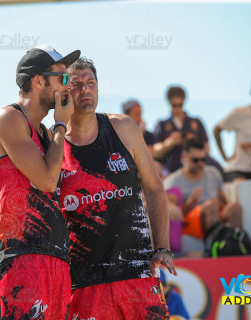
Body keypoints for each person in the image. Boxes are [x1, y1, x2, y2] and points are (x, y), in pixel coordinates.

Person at [61, 57, 174, 319]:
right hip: (83, 283)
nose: (85, 90)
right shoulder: (54, 143)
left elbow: (155, 189)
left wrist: (162, 247)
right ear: (64, 92)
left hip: (137, 274)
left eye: (91, 83)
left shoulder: (122, 128)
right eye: (76, 85)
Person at [0, 45, 79, 319]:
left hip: (56, 259)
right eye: (62, 78)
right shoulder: (8, 119)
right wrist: (61, 125)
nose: (67, 85)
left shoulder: (46, 135)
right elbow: (48, 181)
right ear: (38, 81)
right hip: (20, 257)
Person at [164, 138, 242, 240]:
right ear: (184, 157)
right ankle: (215, 248)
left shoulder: (213, 173)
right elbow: (175, 214)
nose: (200, 164)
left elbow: (224, 201)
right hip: (191, 221)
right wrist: (191, 201)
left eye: (203, 160)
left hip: (215, 215)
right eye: (195, 160)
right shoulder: (173, 181)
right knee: (210, 206)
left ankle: (237, 246)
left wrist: (219, 203)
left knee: (234, 208)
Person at [153, 86, 223, 177]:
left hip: (195, 173)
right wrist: (170, 142)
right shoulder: (162, 124)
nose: (178, 108)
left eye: (180, 105)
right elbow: (154, 151)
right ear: (169, 103)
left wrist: (192, 142)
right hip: (170, 173)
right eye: (174, 105)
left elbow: (207, 148)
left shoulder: (196, 122)